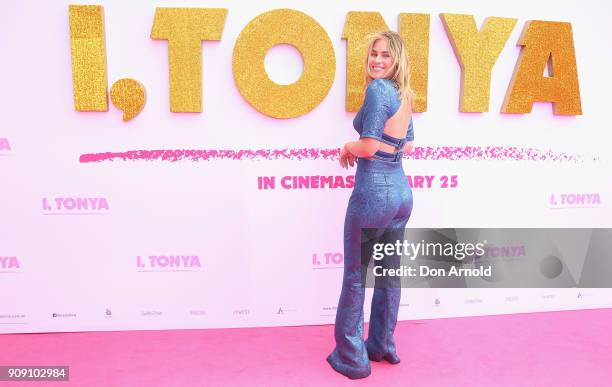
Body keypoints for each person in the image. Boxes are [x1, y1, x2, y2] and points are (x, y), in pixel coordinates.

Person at [327, 31, 415, 379]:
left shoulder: (379, 90)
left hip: (374, 193)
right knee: (389, 274)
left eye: (385, 56)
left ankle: (353, 358)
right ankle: (381, 345)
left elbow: (367, 145)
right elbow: (406, 145)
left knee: (354, 276)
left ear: (397, 61)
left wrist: (348, 147)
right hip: (402, 193)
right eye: (373, 54)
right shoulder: (404, 94)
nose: (377, 61)